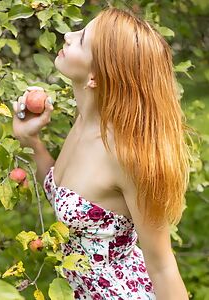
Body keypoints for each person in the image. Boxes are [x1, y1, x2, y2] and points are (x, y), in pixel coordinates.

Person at [12, 6, 191, 300]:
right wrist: (33, 143)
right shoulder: (85, 121)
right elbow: (67, 197)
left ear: (96, 76)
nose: (68, 35)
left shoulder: (126, 156)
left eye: (81, 40)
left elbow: (162, 267)